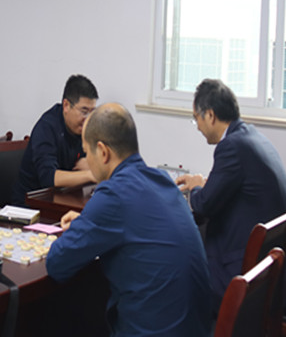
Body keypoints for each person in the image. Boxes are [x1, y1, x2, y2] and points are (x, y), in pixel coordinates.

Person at [46, 103, 211, 336]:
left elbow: (57, 263)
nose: (87, 160)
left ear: (103, 152)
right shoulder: (161, 180)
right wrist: (88, 221)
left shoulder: (113, 195)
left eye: (86, 152)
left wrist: (87, 225)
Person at [175, 79, 286, 313]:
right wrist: (203, 184)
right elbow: (238, 188)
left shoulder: (231, 146)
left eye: (196, 118)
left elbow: (203, 205)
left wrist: (197, 187)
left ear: (210, 115)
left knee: (185, 269)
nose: (197, 126)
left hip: (262, 281)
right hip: (285, 274)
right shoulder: (251, 136)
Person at [11, 74, 98, 205]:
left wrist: (91, 163)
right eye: (84, 111)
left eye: (92, 112)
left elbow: (92, 159)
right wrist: (90, 174)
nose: (88, 119)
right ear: (66, 105)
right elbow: (49, 177)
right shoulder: (47, 127)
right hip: (30, 204)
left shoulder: (83, 128)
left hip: (63, 198)